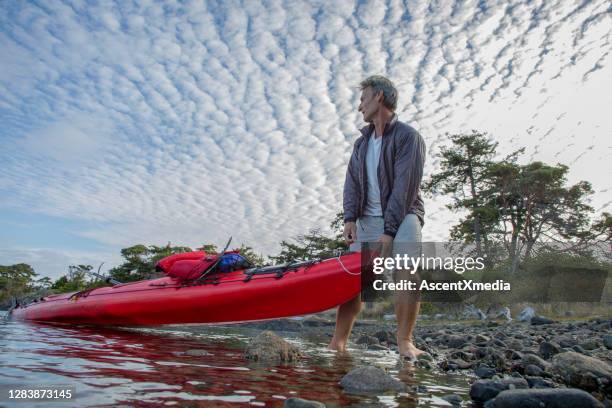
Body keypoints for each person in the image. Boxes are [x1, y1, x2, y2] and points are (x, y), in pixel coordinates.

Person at [328, 75, 426, 359]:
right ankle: (338, 343)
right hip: (365, 221)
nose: (360, 106)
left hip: (403, 214)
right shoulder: (361, 144)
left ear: (379, 97)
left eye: (363, 99)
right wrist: (349, 218)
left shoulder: (409, 137)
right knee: (351, 279)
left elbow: (404, 187)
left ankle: (405, 341)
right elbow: (351, 183)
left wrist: (390, 231)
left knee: (406, 272)